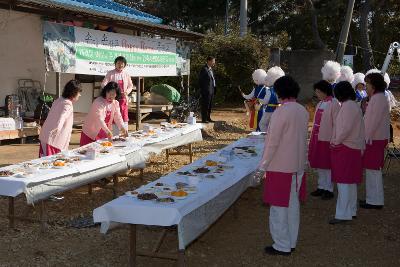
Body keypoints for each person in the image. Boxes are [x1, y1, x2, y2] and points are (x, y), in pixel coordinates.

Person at [256, 76, 309, 255]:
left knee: (278, 208)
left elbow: (272, 142)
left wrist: (263, 165)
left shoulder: (281, 112)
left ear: (280, 92)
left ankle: (281, 244)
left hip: (280, 166)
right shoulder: (302, 110)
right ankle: (291, 241)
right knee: (292, 205)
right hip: (297, 164)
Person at [329, 81, 365, 224]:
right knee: (350, 182)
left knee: (344, 182)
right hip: (353, 147)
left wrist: (336, 141)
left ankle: (343, 214)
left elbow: (345, 128)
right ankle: (351, 210)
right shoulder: (352, 105)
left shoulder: (348, 107)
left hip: (346, 147)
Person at [360, 73, 390, 210]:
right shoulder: (377, 98)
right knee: (372, 170)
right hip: (375, 138)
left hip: (374, 139)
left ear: (374, 85)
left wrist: (365, 138)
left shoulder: (378, 99)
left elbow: (373, 122)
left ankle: (375, 200)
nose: (366, 86)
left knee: (373, 171)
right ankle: (372, 199)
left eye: (367, 84)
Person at [309, 80, 337, 200]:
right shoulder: (320, 103)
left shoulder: (334, 103)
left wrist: (334, 138)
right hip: (317, 136)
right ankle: (321, 186)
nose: (317, 94)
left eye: (319, 91)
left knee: (327, 163)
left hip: (327, 137)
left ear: (325, 91)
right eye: (316, 92)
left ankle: (329, 189)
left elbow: (336, 123)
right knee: (320, 162)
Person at [39, 80, 82, 157]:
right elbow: (62, 117)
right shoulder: (67, 104)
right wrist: (58, 128)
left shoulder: (59, 100)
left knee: (44, 161)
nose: (80, 95)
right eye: (79, 92)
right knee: (52, 163)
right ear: (74, 92)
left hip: (47, 135)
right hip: (54, 139)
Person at [80, 82, 128, 146]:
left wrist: (122, 127)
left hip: (104, 132)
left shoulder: (115, 103)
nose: (110, 96)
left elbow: (118, 117)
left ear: (116, 94)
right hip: (91, 131)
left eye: (113, 94)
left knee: (101, 152)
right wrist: (108, 131)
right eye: (108, 93)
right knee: (86, 153)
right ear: (105, 91)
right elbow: (99, 119)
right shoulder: (98, 102)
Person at [102, 56, 133, 135]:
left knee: (124, 117)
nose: (120, 65)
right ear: (115, 64)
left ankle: (125, 135)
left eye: (122, 64)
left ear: (124, 65)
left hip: (123, 100)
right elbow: (103, 84)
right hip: (113, 99)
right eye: (118, 63)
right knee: (115, 117)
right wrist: (110, 91)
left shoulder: (126, 74)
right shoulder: (110, 73)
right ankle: (116, 136)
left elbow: (130, 86)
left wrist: (126, 92)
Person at [198, 56, 216, 123]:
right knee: (205, 105)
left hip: (211, 90)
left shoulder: (210, 69)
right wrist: (203, 90)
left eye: (214, 61)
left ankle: (208, 118)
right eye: (213, 61)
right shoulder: (204, 69)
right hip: (206, 91)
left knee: (210, 105)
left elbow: (212, 79)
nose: (214, 63)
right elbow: (200, 80)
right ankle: (204, 119)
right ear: (209, 61)